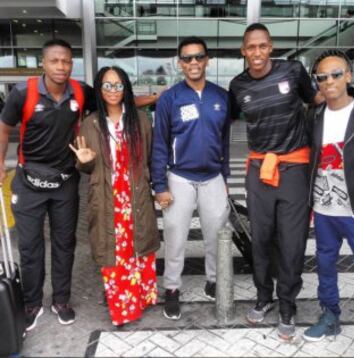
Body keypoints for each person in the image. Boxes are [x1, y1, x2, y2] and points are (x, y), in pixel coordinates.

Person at [229, 23, 322, 340]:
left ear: (271, 47)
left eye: (262, 46)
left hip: (294, 169)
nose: (256, 52)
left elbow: (316, 102)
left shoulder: (293, 71)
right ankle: (264, 297)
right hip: (259, 172)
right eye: (250, 47)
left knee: (293, 242)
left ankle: (287, 306)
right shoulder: (237, 86)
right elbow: (224, 121)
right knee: (262, 238)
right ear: (243, 51)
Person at [0, 39, 95, 331]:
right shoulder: (22, 93)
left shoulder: (80, 92)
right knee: (30, 247)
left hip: (65, 182)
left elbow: (115, 100)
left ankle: (61, 300)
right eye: (55, 61)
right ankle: (31, 303)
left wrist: (155, 98)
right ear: (44, 62)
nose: (61, 67)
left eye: (66, 61)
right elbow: (3, 129)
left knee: (65, 244)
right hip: (29, 182)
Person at [70, 66, 160, 326]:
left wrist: (157, 187)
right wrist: (85, 162)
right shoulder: (90, 123)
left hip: (136, 194)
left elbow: (151, 157)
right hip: (108, 196)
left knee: (139, 246)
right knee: (114, 251)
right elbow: (85, 164)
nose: (113, 91)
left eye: (118, 85)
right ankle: (122, 309)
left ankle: (142, 298)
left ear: (126, 88)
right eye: (107, 85)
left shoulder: (141, 120)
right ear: (99, 89)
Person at [151, 36, 231, 320]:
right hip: (179, 178)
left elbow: (225, 141)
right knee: (175, 236)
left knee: (216, 235)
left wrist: (225, 176)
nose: (193, 62)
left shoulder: (221, 97)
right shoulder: (170, 98)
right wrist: (159, 185)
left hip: (212, 178)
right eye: (187, 58)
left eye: (198, 57)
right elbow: (159, 143)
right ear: (180, 63)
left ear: (207, 60)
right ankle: (172, 288)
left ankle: (214, 280)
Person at [303, 50, 354, 341]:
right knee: (325, 265)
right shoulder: (315, 115)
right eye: (321, 77)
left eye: (336, 74)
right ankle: (330, 315)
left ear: (349, 76)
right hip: (325, 209)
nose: (329, 82)